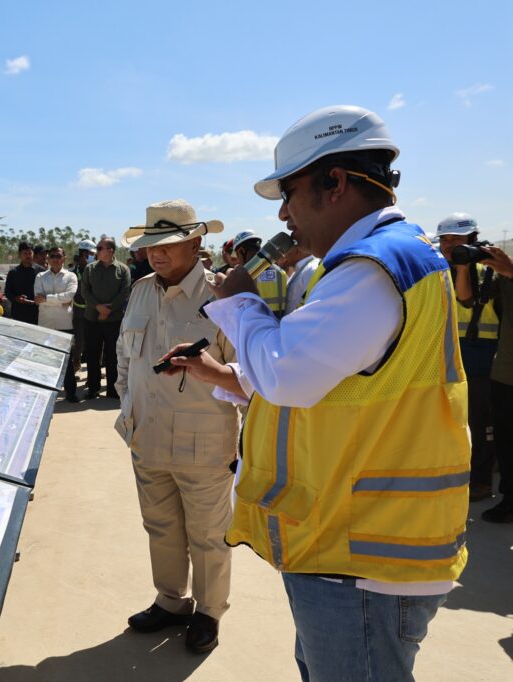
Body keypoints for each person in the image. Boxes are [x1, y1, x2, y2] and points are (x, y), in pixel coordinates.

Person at [168, 105, 469, 679]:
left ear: (334, 183)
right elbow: (335, 388)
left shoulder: (372, 268)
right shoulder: (395, 257)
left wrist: (238, 301)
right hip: (355, 548)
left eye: (288, 193)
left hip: (363, 556)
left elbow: (287, 374)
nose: (283, 213)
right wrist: (224, 376)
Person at [116, 199, 237, 654]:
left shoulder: (221, 295)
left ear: (195, 242)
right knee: (161, 527)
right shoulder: (141, 289)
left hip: (204, 443)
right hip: (147, 437)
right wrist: (127, 413)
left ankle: (209, 611)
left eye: (167, 245)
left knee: (208, 534)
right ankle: (171, 601)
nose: (156, 254)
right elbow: (126, 360)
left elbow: (246, 371)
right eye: (150, 246)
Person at [435, 213, 499, 502]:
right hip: (448, 350)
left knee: (479, 420)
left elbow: (466, 299)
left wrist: (464, 266)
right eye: (445, 240)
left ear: (472, 239)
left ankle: (481, 482)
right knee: (450, 421)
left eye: (456, 240)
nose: (449, 246)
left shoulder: (489, 269)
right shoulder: (438, 269)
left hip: (482, 353)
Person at [481, 244, 513, 522]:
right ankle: (509, 499)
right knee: (505, 440)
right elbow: (469, 301)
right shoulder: (500, 275)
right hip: (505, 371)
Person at [81, 236, 131, 399]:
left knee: (113, 355)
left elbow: (124, 292)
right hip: (92, 319)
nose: (97, 251)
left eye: (100, 248)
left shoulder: (123, 270)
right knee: (92, 354)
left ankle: (113, 389)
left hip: (114, 320)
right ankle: (93, 388)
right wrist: (98, 307)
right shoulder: (90, 269)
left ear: (110, 250)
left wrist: (108, 310)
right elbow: (85, 291)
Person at [34, 246, 80, 401]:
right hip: (45, 324)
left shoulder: (71, 276)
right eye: (52, 256)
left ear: (64, 258)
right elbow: (37, 297)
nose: (55, 259)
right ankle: (47, 393)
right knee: (46, 360)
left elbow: (69, 296)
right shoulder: (40, 276)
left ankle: (71, 393)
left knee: (67, 362)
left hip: (65, 325)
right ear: (48, 258)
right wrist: (59, 301)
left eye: (58, 256)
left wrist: (47, 299)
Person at [232, 230, 288, 318]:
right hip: (279, 326)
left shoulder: (243, 276)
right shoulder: (280, 272)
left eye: (237, 254)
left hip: (255, 327)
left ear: (242, 251)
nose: (237, 259)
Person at [69, 240, 96, 379]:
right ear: (84, 254)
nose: (93, 256)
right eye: (91, 254)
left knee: (94, 342)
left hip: (93, 312)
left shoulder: (95, 270)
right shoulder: (72, 272)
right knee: (79, 341)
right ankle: (76, 366)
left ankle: (94, 369)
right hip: (78, 312)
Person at [5, 241, 43, 325]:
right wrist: (16, 298)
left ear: (33, 254)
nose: (28, 256)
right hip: (18, 315)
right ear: (19, 255)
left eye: (30, 253)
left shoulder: (41, 271)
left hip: (37, 315)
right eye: (25, 253)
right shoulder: (13, 272)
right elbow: (7, 292)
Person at [278, 243, 321, 315]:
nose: (283, 256)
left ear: (297, 249)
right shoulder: (301, 270)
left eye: (284, 251)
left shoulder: (311, 269)